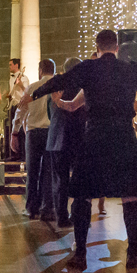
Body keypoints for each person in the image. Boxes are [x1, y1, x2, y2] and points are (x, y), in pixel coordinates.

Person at [28, 29, 137, 271]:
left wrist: (35, 94)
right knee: (130, 196)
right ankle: (132, 255)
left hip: (94, 136)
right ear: (116, 47)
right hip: (123, 137)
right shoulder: (131, 69)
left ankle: (81, 255)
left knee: (83, 196)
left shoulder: (88, 68)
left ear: (97, 47)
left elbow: (60, 80)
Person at [14, 58, 57, 221]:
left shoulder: (32, 87)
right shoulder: (58, 86)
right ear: (53, 70)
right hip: (51, 132)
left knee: (32, 171)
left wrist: (15, 132)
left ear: (40, 70)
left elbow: (21, 110)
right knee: (48, 172)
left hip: (33, 133)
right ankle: (47, 209)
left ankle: (31, 209)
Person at [46, 56, 84, 229]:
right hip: (77, 138)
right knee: (79, 179)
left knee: (59, 181)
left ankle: (61, 217)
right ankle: (78, 216)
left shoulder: (56, 87)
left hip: (57, 138)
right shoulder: (83, 88)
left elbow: (50, 113)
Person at [4, 58, 29, 160]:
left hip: (21, 105)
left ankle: (22, 154)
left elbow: (27, 91)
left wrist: (21, 85)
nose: (9, 67)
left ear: (16, 65)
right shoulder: (11, 79)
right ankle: (14, 154)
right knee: (13, 131)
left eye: (11, 65)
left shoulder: (24, 78)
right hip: (13, 105)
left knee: (21, 130)